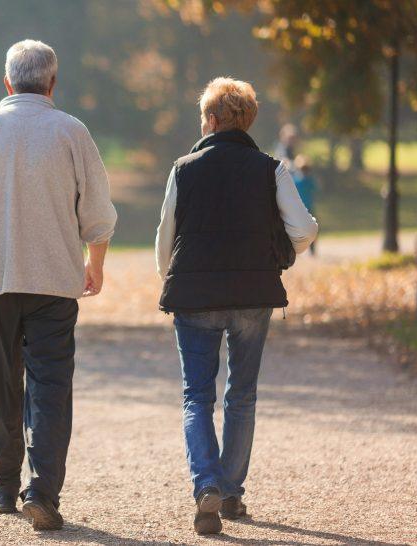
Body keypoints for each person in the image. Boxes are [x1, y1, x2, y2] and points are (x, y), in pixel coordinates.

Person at [0, 39, 117, 531]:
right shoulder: (72, 132)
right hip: (56, 284)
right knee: (52, 388)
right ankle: (44, 491)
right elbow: (97, 213)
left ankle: (2, 487)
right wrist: (94, 263)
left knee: (1, 386)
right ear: (52, 83)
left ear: (7, 82)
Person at [155, 77, 318, 535]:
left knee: (196, 396)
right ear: (248, 120)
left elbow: (165, 238)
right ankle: (230, 492)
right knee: (242, 394)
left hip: (194, 296)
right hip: (253, 293)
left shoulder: (183, 168)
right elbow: (303, 230)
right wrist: (280, 252)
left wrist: (172, 277)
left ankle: (206, 482)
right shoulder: (270, 168)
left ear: (209, 119)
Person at [293, 154, 319, 255]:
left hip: (300, 209)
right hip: (307, 208)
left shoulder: (296, 179)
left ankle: (297, 251)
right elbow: (316, 189)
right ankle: (312, 251)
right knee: (312, 230)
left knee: (297, 230)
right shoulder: (309, 180)